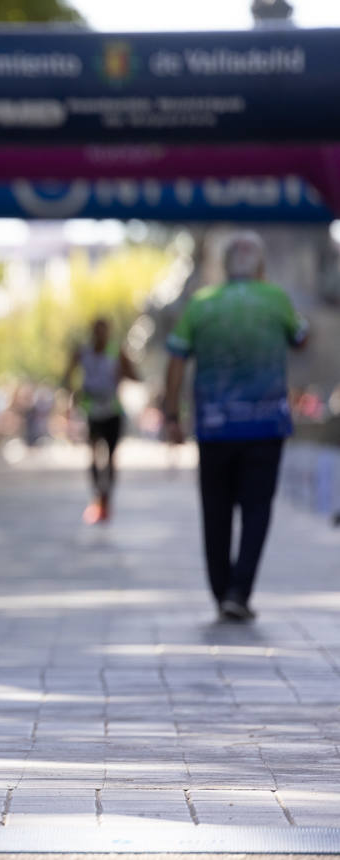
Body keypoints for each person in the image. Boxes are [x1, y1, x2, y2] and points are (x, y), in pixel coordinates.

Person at [163, 231, 308, 622]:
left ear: (224, 266)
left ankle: (220, 588)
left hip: (214, 428)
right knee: (257, 510)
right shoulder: (276, 299)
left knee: (216, 510)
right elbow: (301, 339)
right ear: (260, 266)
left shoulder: (201, 304)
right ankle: (239, 591)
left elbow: (175, 360)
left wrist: (172, 416)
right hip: (265, 427)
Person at [63, 317, 139, 524]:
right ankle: (97, 494)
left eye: (104, 330)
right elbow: (67, 376)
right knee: (95, 454)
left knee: (112, 456)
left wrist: (125, 371)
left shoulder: (117, 352)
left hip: (112, 409)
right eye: (97, 330)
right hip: (92, 409)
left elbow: (134, 375)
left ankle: (107, 498)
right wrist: (72, 394)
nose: (100, 335)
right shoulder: (83, 352)